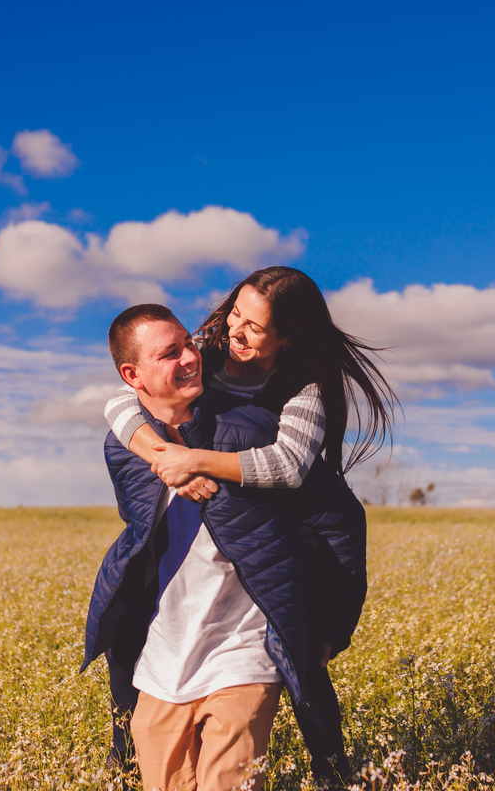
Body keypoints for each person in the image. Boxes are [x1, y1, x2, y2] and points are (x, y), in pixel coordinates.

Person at [102, 267, 397, 785]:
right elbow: (123, 398)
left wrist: (194, 461)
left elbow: (287, 466)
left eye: (253, 327)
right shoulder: (202, 356)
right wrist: (161, 454)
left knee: (303, 659)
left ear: (288, 336)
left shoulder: (302, 391)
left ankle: (332, 769)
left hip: (278, 555)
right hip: (194, 577)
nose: (233, 330)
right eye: (234, 312)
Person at [84, 304, 319, 790]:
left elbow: (324, 511)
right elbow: (118, 408)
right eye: (169, 353)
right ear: (134, 374)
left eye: (189, 343)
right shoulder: (122, 445)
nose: (191, 357)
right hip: (163, 659)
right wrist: (162, 454)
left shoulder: (250, 426)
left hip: (242, 652)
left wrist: (330, 623)